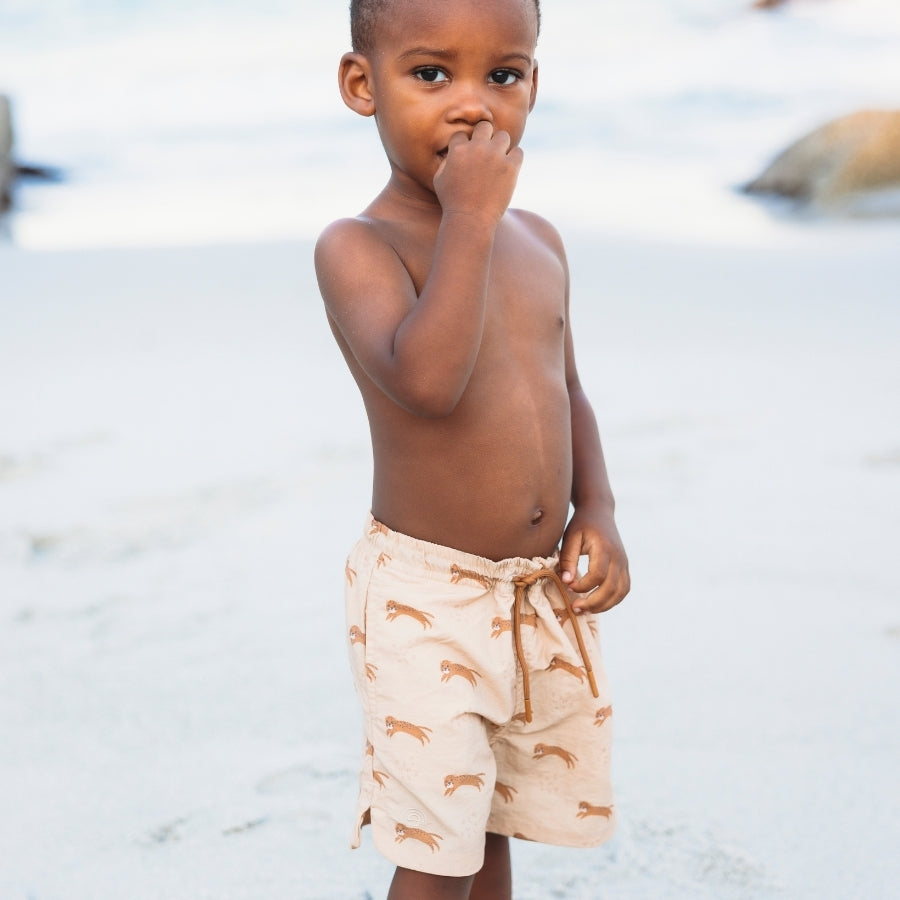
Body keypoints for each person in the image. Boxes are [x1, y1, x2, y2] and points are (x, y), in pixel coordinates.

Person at [314, 0, 630, 897]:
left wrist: (597, 509)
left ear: (535, 82)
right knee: (435, 848)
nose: (473, 105)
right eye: (430, 74)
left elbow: (565, 391)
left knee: (490, 826)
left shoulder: (541, 242)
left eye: (503, 75)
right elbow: (427, 382)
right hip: (428, 599)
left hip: (533, 595)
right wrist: (472, 223)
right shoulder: (358, 247)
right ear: (360, 85)